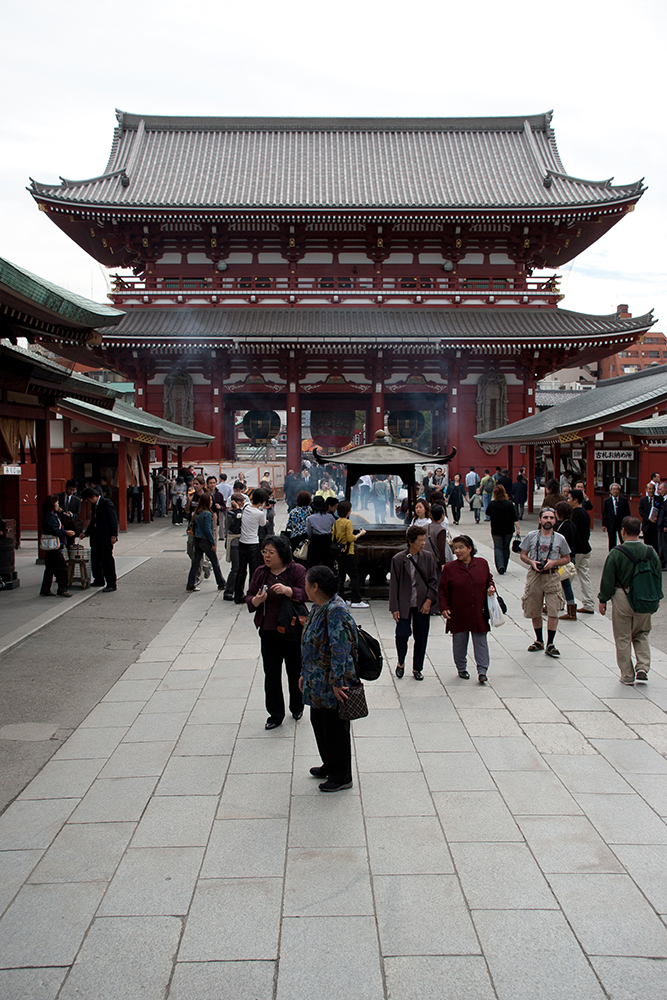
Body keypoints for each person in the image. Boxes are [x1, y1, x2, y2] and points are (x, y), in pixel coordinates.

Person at [300, 564, 359, 792]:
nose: (304, 587)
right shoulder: (318, 606)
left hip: (333, 684)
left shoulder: (336, 610)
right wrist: (304, 674)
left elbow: (340, 649)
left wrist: (337, 682)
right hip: (316, 680)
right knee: (320, 723)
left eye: (306, 583)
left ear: (315, 586)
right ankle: (330, 763)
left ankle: (341, 775)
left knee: (335, 729)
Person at [246, 535, 307, 729]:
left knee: (294, 670)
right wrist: (256, 601)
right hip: (269, 630)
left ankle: (297, 706)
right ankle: (275, 713)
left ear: (282, 554)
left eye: (272, 552)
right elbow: (249, 597)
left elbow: (306, 594)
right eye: (265, 552)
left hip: (292, 630)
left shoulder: (296, 570)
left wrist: (289, 591)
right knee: (271, 673)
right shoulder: (260, 572)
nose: (267, 556)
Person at [598, 516, 663, 685]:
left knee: (623, 637)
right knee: (641, 633)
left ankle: (627, 674)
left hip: (623, 596)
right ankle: (642, 666)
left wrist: (603, 599)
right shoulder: (651, 551)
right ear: (640, 531)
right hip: (646, 597)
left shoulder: (617, 553)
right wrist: (656, 598)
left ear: (623, 531)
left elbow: (608, 579)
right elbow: (657, 577)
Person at [439, 534, 496, 682]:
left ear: (470, 549)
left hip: (478, 610)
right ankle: (461, 668)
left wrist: (491, 587)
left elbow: (489, 580)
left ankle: (482, 670)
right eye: (455, 548)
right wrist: (444, 607)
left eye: (461, 548)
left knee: (481, 642)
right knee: (459, 643)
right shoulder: (450, 568)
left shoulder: (482, 563)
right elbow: (443, 590)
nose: (457, 551)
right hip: (458, 611)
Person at [519, 508, 571, 658]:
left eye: (551, 518)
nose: (548, 520)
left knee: (553, 609)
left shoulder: (560, 538)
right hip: (535, 575)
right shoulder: (531, 536)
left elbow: (567, 558)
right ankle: (539, 640)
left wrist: (553, 562)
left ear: (555, 520)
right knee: (534, 607)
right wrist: (531, 562)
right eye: (546, 517)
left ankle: (551, 643)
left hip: (552, 575)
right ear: (540, 520)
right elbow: (523, 554)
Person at [389, 525, 438, 681]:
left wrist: (429, 600)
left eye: (424, 540)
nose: (423, 543)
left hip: (422, 603)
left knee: (421, 636)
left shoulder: (428, 557)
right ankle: (401, 661)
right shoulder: (398, 559)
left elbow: (433, 581)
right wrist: (394, 607)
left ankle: (418, 668)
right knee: (402, 635)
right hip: (404, 603)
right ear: (411, 542)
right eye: (420, 540)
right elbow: (394, 585)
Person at [233, 488, 269, 603]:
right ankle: (252, 595)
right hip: (253, 543)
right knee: (254, 570)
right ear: (262, 501)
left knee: (241, 570)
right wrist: (263, 510)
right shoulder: (259, 513)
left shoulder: (246, 507)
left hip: (242, 542)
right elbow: (263, 524)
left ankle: (238, 595)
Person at [186, 493, 226, 592]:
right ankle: (221, 583)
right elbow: (208, 529)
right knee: (215, 562)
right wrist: (213, 543)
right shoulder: (207, 514)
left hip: (197, 539)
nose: (211, 501)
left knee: (195, 563)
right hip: (206, 540)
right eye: (210, 500)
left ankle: (190, 584)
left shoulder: (197, 512)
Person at [332, 500, 368, 609]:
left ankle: (341, 598)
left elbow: (333, 536)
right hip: (348, 552)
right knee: (355, 576)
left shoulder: (337, 522)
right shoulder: (348, 522)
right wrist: (359, 534)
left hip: (339, 552)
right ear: (348, 511)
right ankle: (356, 600)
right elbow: (350, 538)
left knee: (341, 576)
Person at [80, 487, 118, 592]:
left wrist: (114, 535)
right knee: (95, 559)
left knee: (107, 560)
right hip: (96, 537)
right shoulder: (94, 505)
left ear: (93, 496)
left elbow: (113, 519)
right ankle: (99, 579)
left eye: (88, 500)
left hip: (105, 536)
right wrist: (86, 533)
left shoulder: (106, 503)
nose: (88, 502)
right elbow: (94, 521)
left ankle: (111, 583)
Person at [39, 495, 75, 597]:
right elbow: (54, 530)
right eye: (56, 503)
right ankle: (62, 589)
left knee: (50, 568)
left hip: (52, 546)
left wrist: (61, 512)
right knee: (62, 567)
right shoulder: (50, 516)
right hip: (54, 546)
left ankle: (45, 589)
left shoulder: (52, 514)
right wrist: (66, 532)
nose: (58, 505)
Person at [569, 489, 595, 615]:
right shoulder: (585, 512)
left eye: (569, 498)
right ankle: (589, 603)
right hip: (585, 548)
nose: (568, 501)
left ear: (575, 500)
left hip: (576, 551)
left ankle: (560, 601)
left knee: (566, 577)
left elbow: (573, 533)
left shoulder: (574, 514)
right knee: (584, 576)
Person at [486, 484, 520, 575]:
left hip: (496, 529)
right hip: (508, 529)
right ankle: (504, 564)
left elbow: (487, 513)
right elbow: (514, 517)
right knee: (506, 547)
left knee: (498, 547)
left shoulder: (492, 504)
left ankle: (500, 565)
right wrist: (518, 528)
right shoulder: (509, 504)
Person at [555, 501, 578, 621]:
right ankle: (570, 607)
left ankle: (568, 608)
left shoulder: (564, 527)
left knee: (563, 582)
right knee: (564, 583)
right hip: (571, 555)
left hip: (563, 557)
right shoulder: (571, 525)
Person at [222, 492, 246, 600]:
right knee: (235, 567)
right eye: (240, 501)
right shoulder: (231, 513)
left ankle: (237, 589)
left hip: (242, 541)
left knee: (241, 567)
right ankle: (228, 591)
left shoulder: (241, 512)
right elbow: (235, 526)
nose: (242, 503)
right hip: (234, 542)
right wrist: (238, 510)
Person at [306, 495, 336, 568]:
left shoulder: (310, 518)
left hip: (315, 543)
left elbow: (309, 533)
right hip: (328, 542)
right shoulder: (330, 517)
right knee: (328, 564)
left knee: (313, 564)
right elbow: (334, 528)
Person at [602, 483, 632, 550]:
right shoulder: (607, 501)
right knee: (612, 541)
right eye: (613, 489)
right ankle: (612, 554)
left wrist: (627, 523)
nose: (615, 491)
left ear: (619, 490)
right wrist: (604, 524)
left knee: (623, 539)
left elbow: (627, 512)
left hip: (621, 523)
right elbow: (605, 513)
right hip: (611, 522)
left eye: (616, 489)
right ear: (610, 491)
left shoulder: (624, 500)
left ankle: (625, 552)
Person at [286, 490, 312, 556]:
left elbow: (290, 524)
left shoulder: (293, 512)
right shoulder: (311, 511)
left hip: (295, 537)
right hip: (308, 537)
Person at [426, 504, 452, 570]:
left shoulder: (425, 527)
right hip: (436, 562)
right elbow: (441, 548)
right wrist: (443, 563)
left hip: (426, 559)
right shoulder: (441, 530)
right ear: (442, 515)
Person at [639, 481, 659, 554]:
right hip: (646, 526)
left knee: (656, 544)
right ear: (646, 490)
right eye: (649, 489)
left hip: (656, 526)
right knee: (647, 545)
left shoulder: (659, 499)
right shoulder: (643, 500)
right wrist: (648, 518)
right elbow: (641, 511)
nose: (651, 491)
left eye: (652, 489)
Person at [655, 481, 667, 570]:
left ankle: (665, 563)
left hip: (664, 526)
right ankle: (662, 562)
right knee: (660, 545)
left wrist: (666, 525)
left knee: (664, 545)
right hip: (659, 525)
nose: (659, 491)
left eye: (660, 489)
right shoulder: (661, 499)